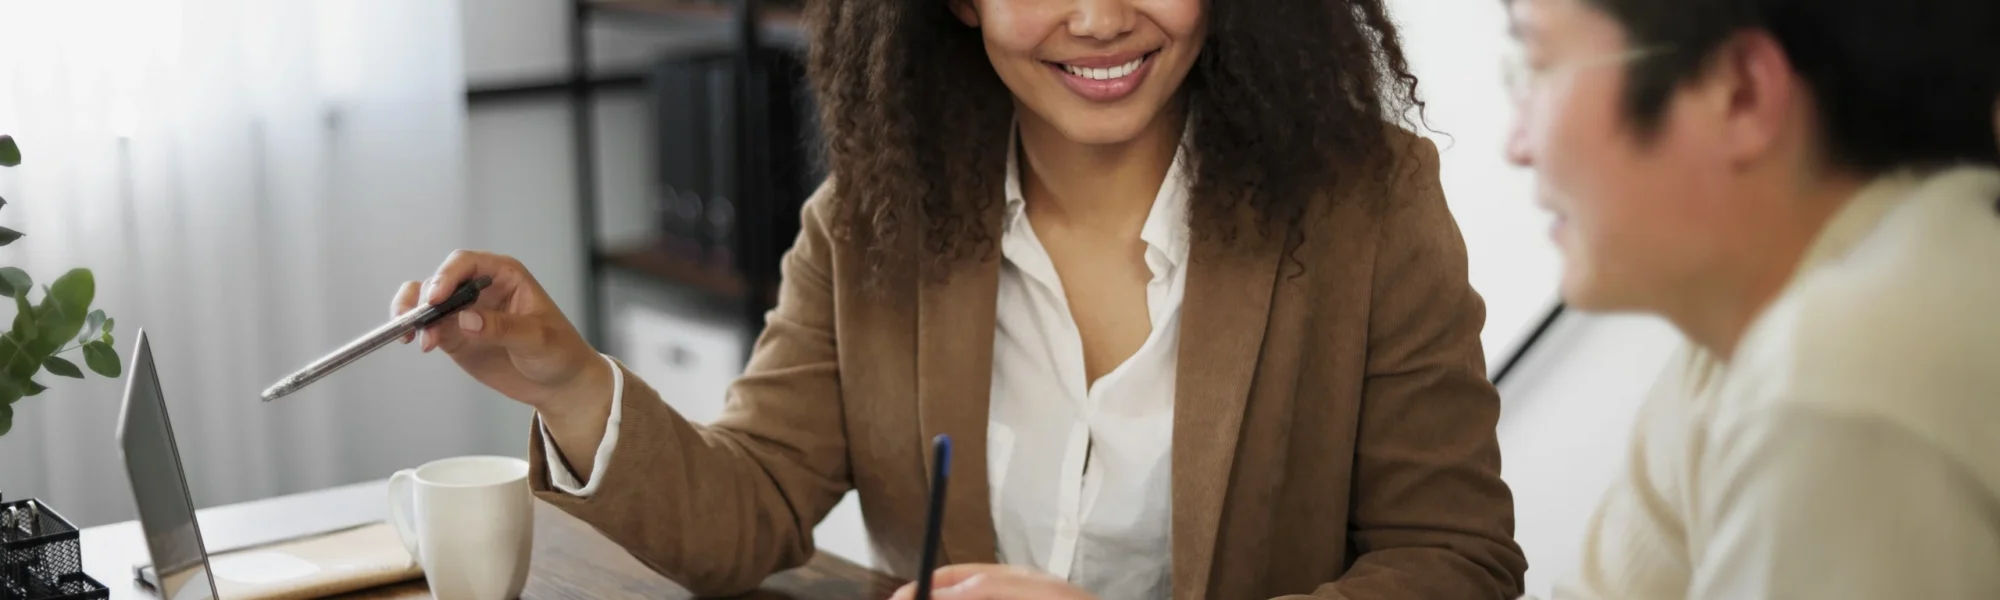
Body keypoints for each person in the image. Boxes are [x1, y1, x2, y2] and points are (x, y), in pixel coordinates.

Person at [393, 0, 1530, 597]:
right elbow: (746, 515)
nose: (1096, 19)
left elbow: (1454, 560)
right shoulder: (871, 225)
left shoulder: (1367, 206)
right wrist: (568, 379)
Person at [1501, 0, 2000, 597]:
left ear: (1739, 91)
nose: (1516, 143)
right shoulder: (1721, 359)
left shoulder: (1839, 378)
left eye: (1539, 66)